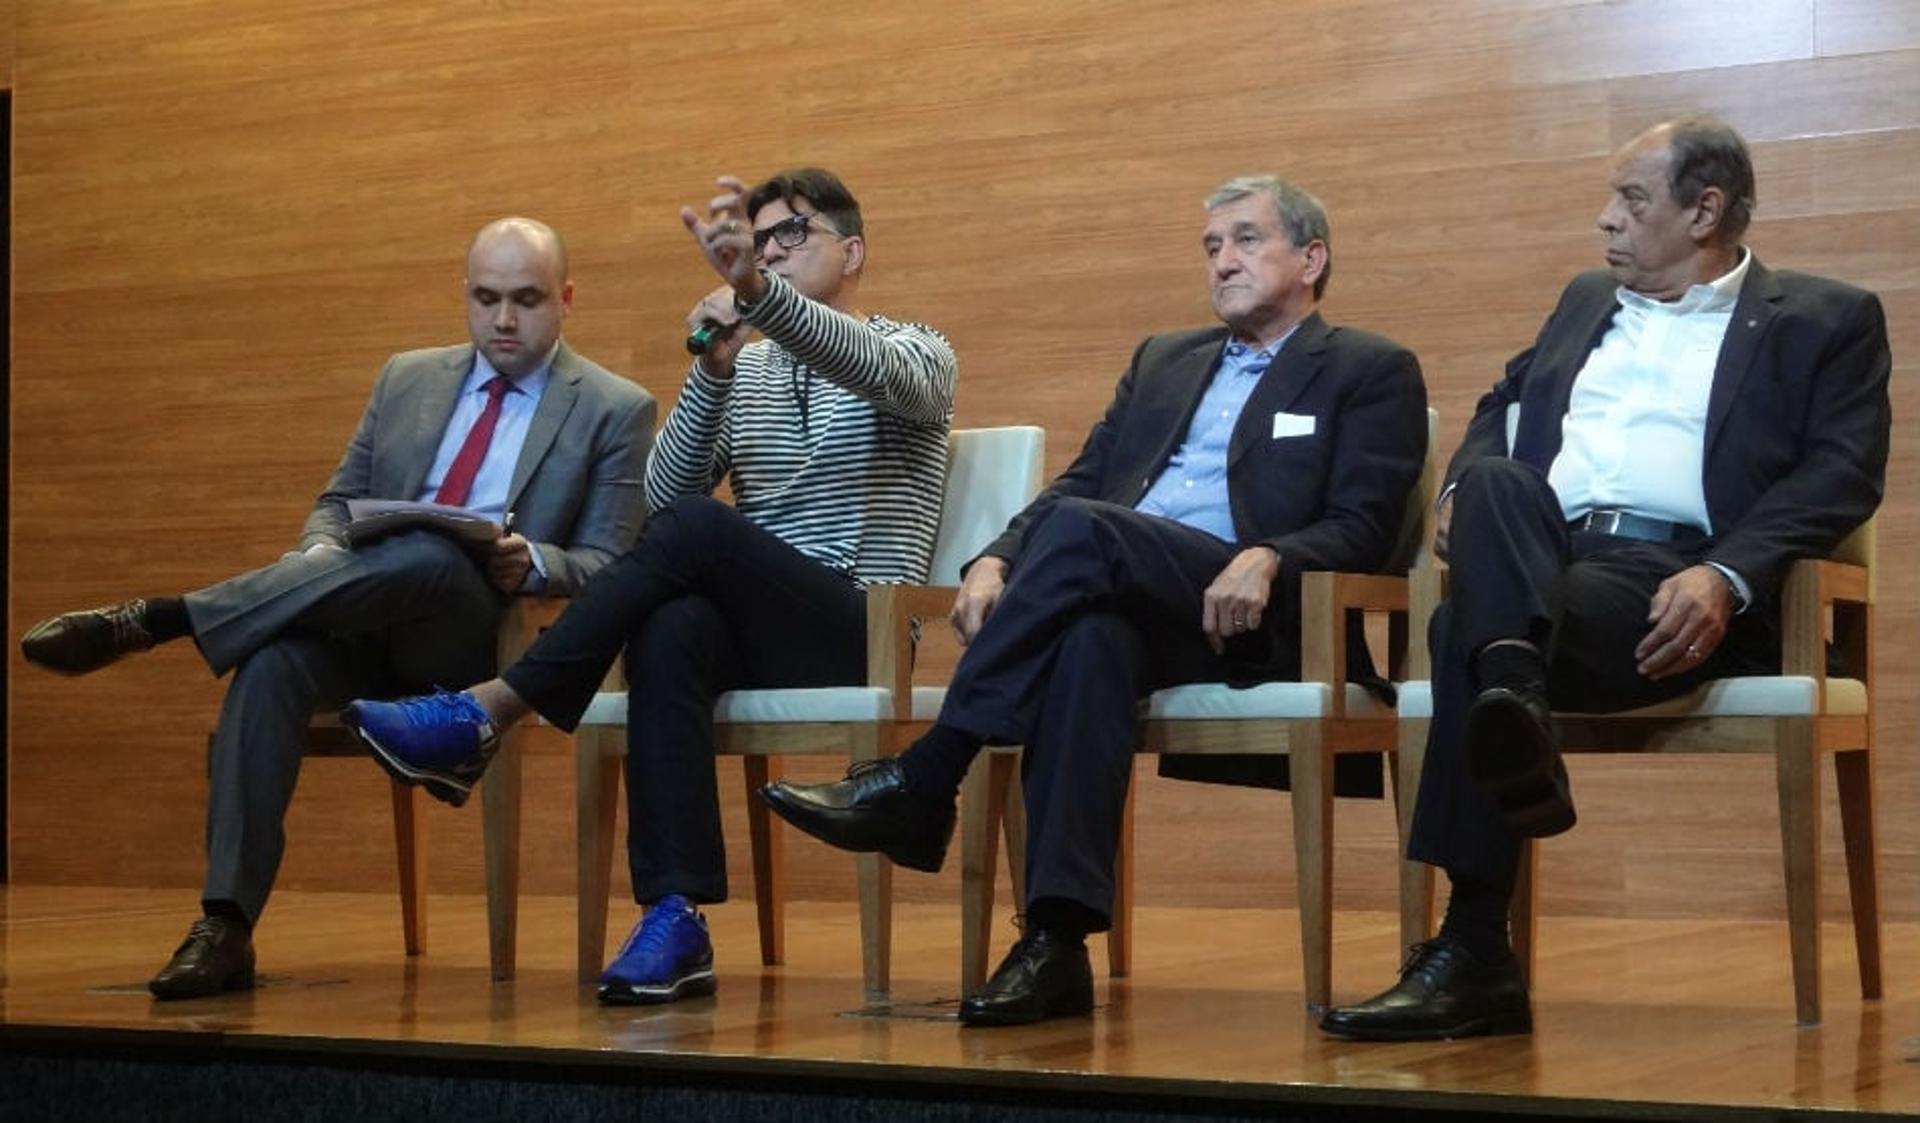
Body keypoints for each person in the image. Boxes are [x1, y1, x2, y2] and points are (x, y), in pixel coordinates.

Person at [761, 175, 1429, 1027]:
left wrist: (1269, 552)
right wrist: (995, 558)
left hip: (1255, 616)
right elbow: (1080, 482)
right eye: (1211, 246)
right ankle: (1055, 942)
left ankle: (927, 776)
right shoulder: (1163, 360)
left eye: (1246, 240)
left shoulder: (1369, 369)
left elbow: (1363, 526)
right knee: (1087, 644)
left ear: (1312, 258)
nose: (1223, 261)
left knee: (1084, 533)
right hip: (1132, 596)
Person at [1320, 115, 1892, 1042]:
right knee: (1499, 485)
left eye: (1630, 199)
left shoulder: (1827, 319)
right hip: (1550, 566)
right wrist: (1462, 482)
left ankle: (1474, 946)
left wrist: (1726, 572)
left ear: (1704, 211)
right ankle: (1515, 698)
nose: (1604, 221)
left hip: (1680, 588)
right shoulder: (1586, 300)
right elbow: (1499, 405)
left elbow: (1841, 473)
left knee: (1454, 634)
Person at [343, 168, 957, 1006]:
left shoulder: (918, 349)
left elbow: (874, 370)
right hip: (758, 627)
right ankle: (677, 913)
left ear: (852, 251)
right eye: (759, 239)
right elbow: (660, 509)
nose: (770, 251)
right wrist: (710, 375)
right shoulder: (752, 372)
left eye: (791, 235)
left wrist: (753, 292)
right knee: (668, 620)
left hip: (864, 625)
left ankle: (492, 708)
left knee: (701, 538)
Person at [18, 217, 658, 1000]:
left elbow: (614, 566)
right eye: (486, 298)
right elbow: (337, 503)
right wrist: (318, 555)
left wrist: (536, 562)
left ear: (566, 298)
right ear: (464, 294)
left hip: (470, 634)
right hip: (357, 612)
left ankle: (168, 617)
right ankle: (226, 924)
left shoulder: (613, 406)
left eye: (525, 300)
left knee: (429, 550)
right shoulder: (408, 376)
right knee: (269, 660)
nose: (503, 320)